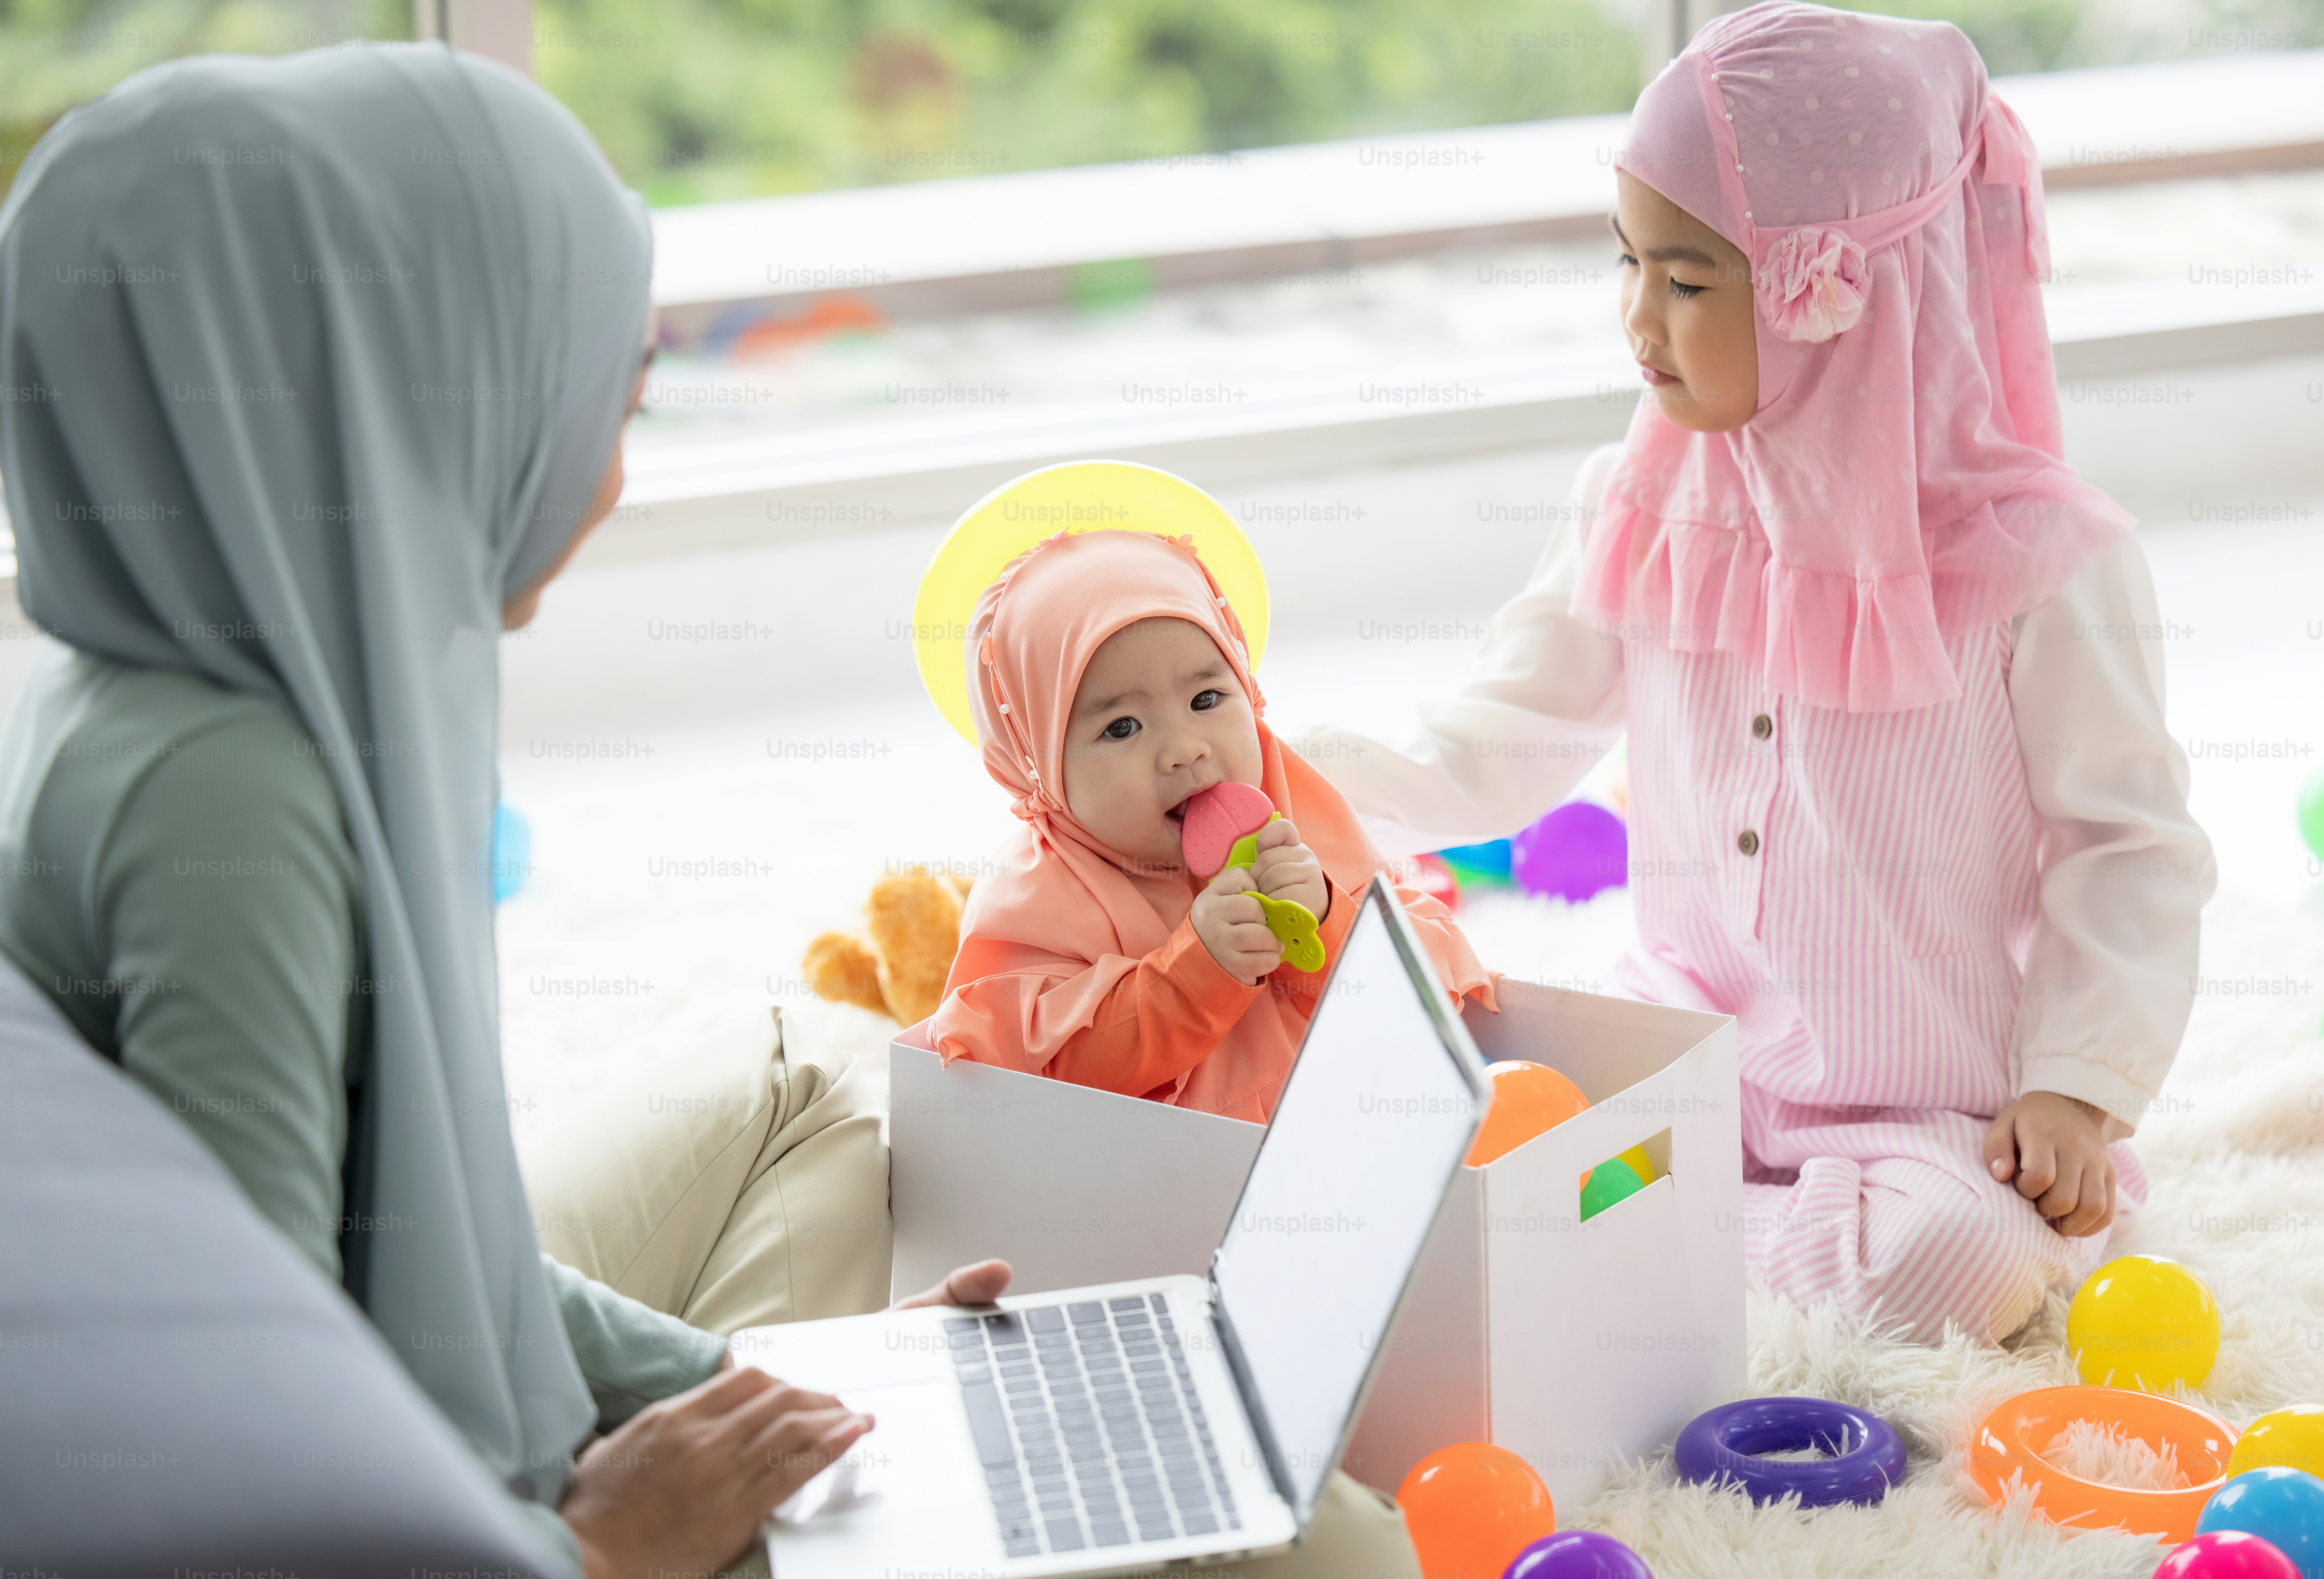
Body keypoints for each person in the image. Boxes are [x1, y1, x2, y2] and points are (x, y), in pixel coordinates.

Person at [0, 45, 1423, 1579]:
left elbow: (395, 1244)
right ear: (393, 406)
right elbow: (249, 1438)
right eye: (593, 405)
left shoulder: (169, 684)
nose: (607, 478)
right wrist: (602, 1541)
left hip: (461, 1425)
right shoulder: (232, 794)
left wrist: (773, 1387)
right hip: (496, 1532)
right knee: (1341, 1550)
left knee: (824, 1058)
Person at [1295, 0, 2214, 1344]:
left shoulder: (2040, 556)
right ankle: (1700, 1231)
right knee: (1461, 1107)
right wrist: (1282, 772)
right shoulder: (1635, 496)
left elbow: (2129, 845)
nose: (1636, 318)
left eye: (1685, 282)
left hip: (1922, 1107)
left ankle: (1672, 1241)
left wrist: (2076, 1086)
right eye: (1626, 262)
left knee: (1958, 1261)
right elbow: (1501, 731)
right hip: (1676, 1048)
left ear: (1844, 295)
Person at [928, 525, 1495, 1123]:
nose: (1184, 749)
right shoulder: (1036, 901)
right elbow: (1053, 1079)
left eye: (1205, 699)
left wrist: (1327, 920)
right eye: (1122, 727)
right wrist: (1196, 973)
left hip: (1352, 1124)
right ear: (1039, 765)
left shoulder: (1300, 810)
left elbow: (1419, 992)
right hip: (1179, 1168)